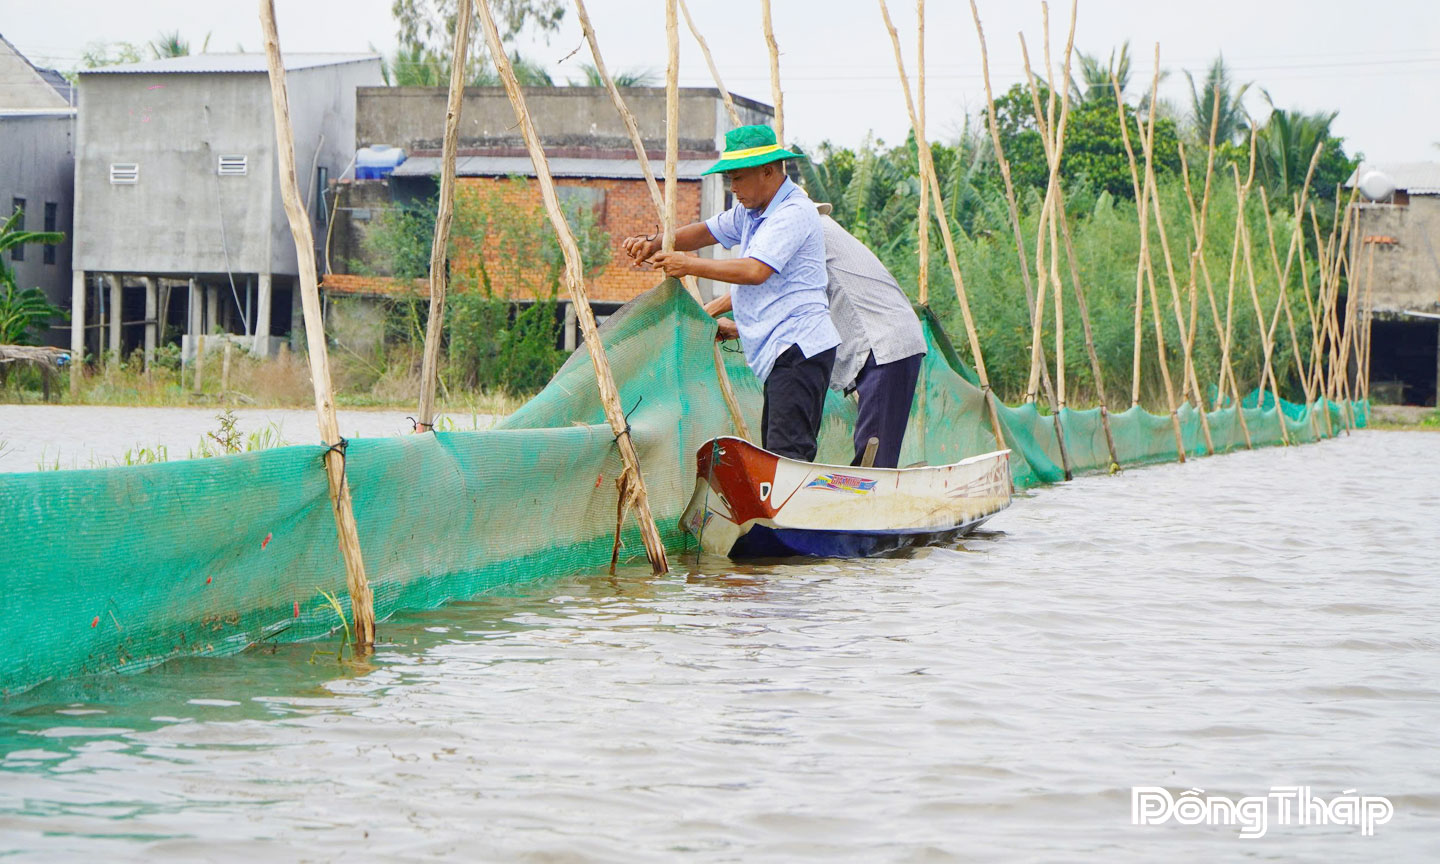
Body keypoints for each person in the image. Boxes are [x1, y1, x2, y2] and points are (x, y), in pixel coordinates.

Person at [621, 124, 840, 463]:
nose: (733, 188)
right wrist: (655, 243)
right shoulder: (751, 211)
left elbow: (755, 270)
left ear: (767, 172)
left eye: (738, 178)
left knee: (788, 459)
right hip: (784, 351)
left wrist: (688, 265)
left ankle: (788, 518)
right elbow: (705, 231)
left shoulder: (793, 212)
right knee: (781, 457)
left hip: (799, 349)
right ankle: (779, 517)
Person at [704, 205, 928, 469]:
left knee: (874, 461)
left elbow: (758, 278)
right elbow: (799, 305)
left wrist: (707, 310)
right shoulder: (814, 231)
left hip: (884, 341)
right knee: (873, 455)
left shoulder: (806, 229)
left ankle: (864, 507)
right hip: (884, 342)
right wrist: (739, 327)